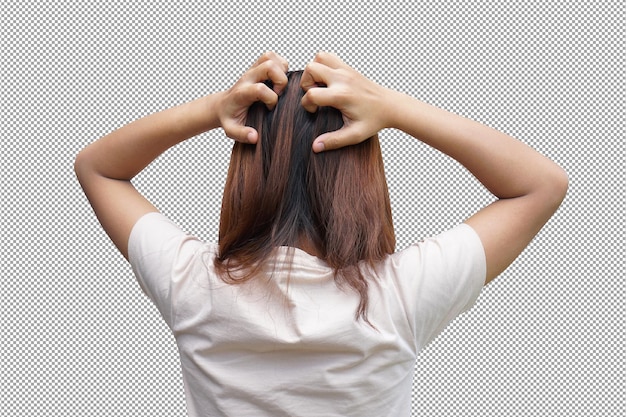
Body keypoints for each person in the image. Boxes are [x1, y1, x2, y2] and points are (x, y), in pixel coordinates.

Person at [74, 51, 568, 417]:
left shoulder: (194, 286)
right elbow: (541, 185)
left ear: (248, 168)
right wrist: (393, 107)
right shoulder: (398, 295)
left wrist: (213, 110)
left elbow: (98, 168)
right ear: (362, 173)